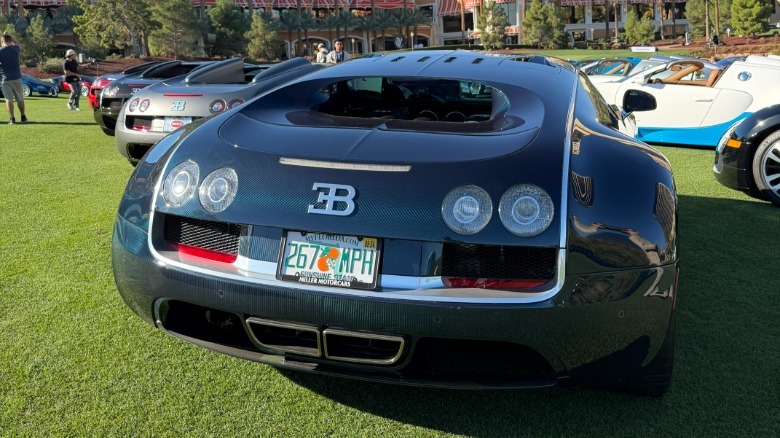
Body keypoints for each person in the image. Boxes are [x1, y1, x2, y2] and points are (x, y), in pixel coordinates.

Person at [0, 32, 27, 124]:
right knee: (20, 98)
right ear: (10, 40)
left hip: (4, 78)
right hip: (16, 77)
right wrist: (10, 36)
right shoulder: (15, 49)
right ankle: (23, 117)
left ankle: (12, 119)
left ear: (2, 41)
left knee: (8, 99)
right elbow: (18, 43)